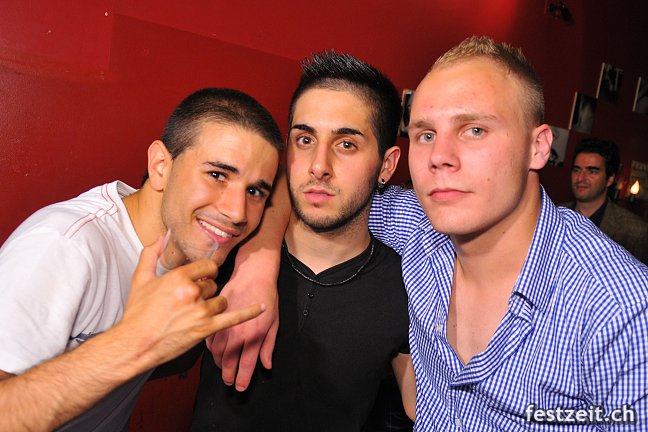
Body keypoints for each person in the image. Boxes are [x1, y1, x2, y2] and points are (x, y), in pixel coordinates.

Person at [245, 37, 648, 430]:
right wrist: (257, 268)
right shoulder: (417, 223)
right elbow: (314, 190)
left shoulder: (621, 309)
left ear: (539, 147)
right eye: (426, 135)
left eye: (474, 130)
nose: (439, 157)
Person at [0, 87, 282, 431]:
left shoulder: (195, 242)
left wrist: (259, 266)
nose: (237, 212)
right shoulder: (64, 246)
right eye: (217, 175)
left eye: (254, 191)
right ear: (161, 166)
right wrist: (135, 341)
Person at [191, 52, 415, 432]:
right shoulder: (228, 243)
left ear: (387, 165)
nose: (318, 165)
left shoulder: (407, 285)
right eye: (305, 139)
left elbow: (425, 402)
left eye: (346, 144)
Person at [563, 138, 648, 264]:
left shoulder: (635, 232)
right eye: (576, 170)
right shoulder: (554, 215)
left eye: (592, 171)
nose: (580, 178)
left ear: (610, 179)